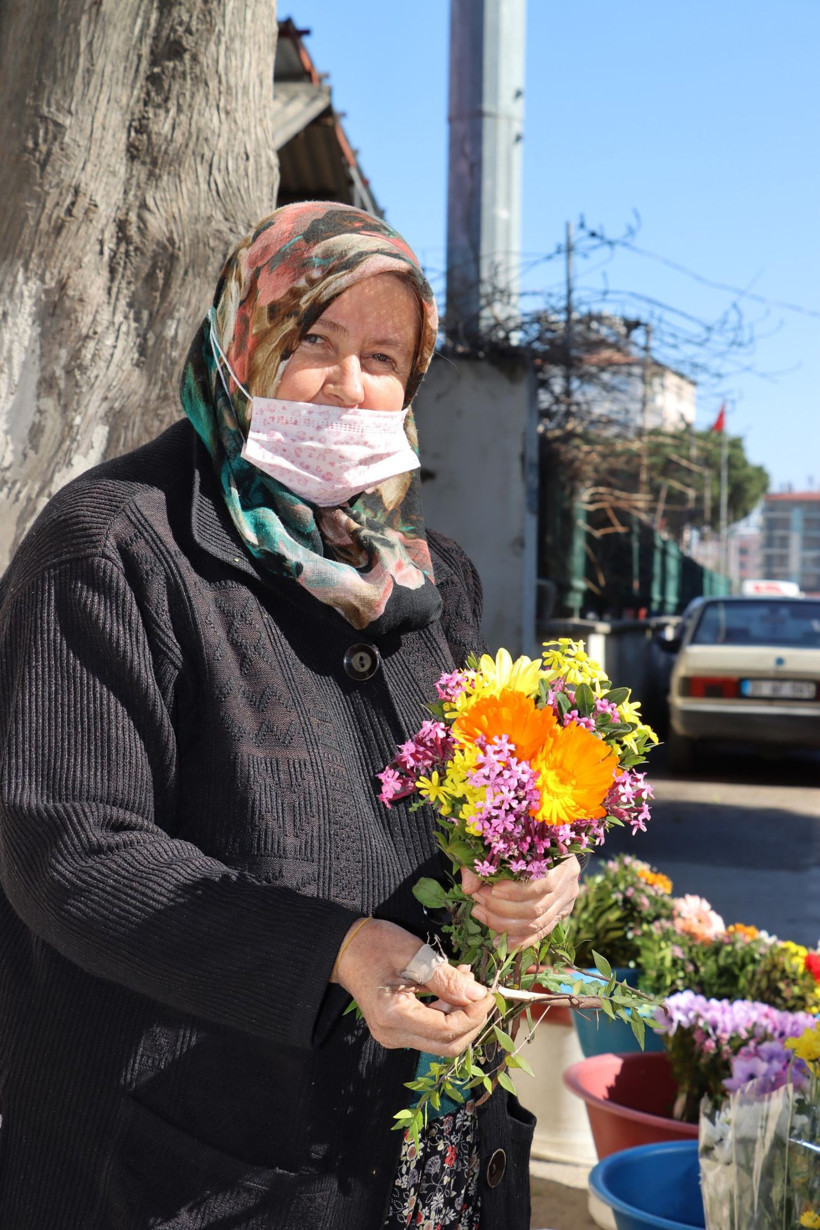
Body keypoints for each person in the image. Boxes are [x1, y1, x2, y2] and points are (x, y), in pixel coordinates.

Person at [0, 202, 582, 1230]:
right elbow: (71, 851)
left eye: (384, 358)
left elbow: (484, 792)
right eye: (315, 338)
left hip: (417, 1153)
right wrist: (334, 951)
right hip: (189, 1167)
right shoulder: (114, 547)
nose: (350, 386)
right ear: (244, 340)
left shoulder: (428, 574)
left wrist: (533, 867)